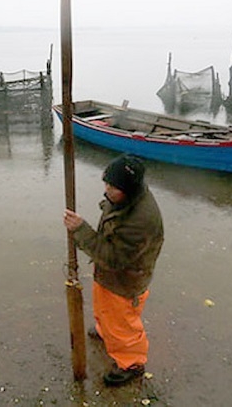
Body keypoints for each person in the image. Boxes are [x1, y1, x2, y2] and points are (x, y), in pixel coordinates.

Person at [63, 154, 164, 386]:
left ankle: (132, 363)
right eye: (106, 184)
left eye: (112, 187)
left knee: (123, 325)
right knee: (104, 308)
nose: (106, 191)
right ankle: (105, 329)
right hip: (109, 276)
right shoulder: (125, 197)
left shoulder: (141, 220)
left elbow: (114, 258)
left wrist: (80, 230)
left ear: (127, 190)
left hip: (124, 280)